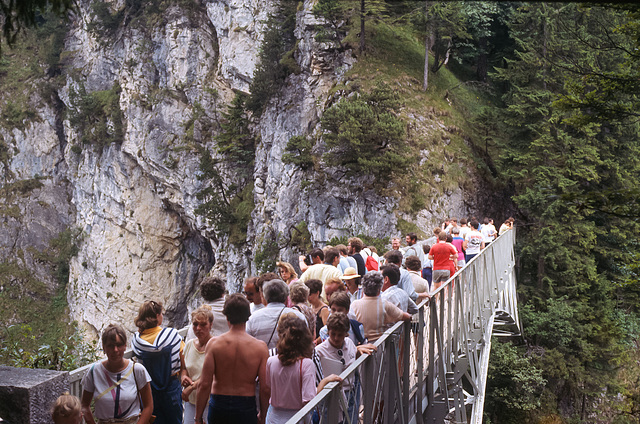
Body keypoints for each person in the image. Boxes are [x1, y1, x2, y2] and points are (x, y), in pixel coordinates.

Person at [195, 294, 269, 424]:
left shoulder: (214, 344)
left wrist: (198, 417)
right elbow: (265, 388)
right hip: (245, 405)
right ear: (248, 316)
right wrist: (263, 415)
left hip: (219, 403)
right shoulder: (260, 348)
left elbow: (204, 384)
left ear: (227, 316)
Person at [265, 314, 342, 423]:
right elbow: (309, 400)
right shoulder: (306, 364)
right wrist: (324, 382)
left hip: (273, 417)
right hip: (297, 418)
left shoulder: (271, 361)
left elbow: (269, 387)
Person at [82, 324, 153, 424]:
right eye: (110, 346)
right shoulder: (94, 372)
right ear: (104, 347)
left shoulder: (137, 370)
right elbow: (84, 405)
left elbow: (148, 406)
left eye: (119, 345)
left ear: (125, 346)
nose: (115, 350)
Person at [315, 313, 374, 424]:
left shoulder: (349, 343)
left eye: (340, 335)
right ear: (328, 332)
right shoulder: (319, 351)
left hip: (351, 393)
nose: (336, 338)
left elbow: (351, 356)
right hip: (331, 399)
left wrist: (358, 350)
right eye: (333, 334)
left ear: (346, 334)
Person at [131, 300, 184, 424]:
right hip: (171, 387)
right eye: (161, 314)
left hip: (149, 390)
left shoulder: (137, 341)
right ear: (156, 316)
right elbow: (183, 357)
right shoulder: (172, 335)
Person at [349, 272, 412, 342]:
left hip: (361, 345)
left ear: (363, 288)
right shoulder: (384, 304)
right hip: (379, 345)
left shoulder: (354, 305)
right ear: (379, 289)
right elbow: (404, 316)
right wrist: (410, 317)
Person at [246, 279, 306, 349]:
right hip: (292, 359)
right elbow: (305, 343)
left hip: (262, 359)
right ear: (287, 297)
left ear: (264, 296)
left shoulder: (253, 318)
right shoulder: (298, 316)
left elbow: (247, 345)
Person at [181, 306, 215, 424]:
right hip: (191, 401)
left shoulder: (216, 347)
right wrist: (183, 377)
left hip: (209, 401)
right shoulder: (189, 344)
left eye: (203, 324)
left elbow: (213, 375)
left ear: (210, 325)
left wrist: (191, 387)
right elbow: (184, 367)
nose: (198, 328)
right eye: (195, 324)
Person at [187, 277, 227, 342]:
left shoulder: (200, 316)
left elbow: (191, 339)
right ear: (223, 293)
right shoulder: (233, 311)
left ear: (203, 296)